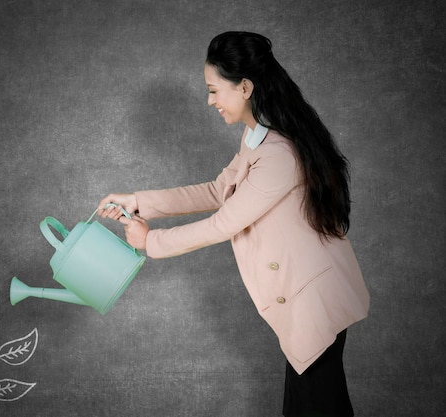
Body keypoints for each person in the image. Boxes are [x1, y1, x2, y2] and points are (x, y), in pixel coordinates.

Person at [97, 31, 370, 417]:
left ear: (244, 87)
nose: (209, 101)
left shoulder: (278, 154)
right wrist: (138, 201)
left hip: (314, 303)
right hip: (303, 298)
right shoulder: (257, 137)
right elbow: (215, 190)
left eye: (214, 90)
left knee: (315, 406)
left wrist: (149, 241)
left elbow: (223, 223)